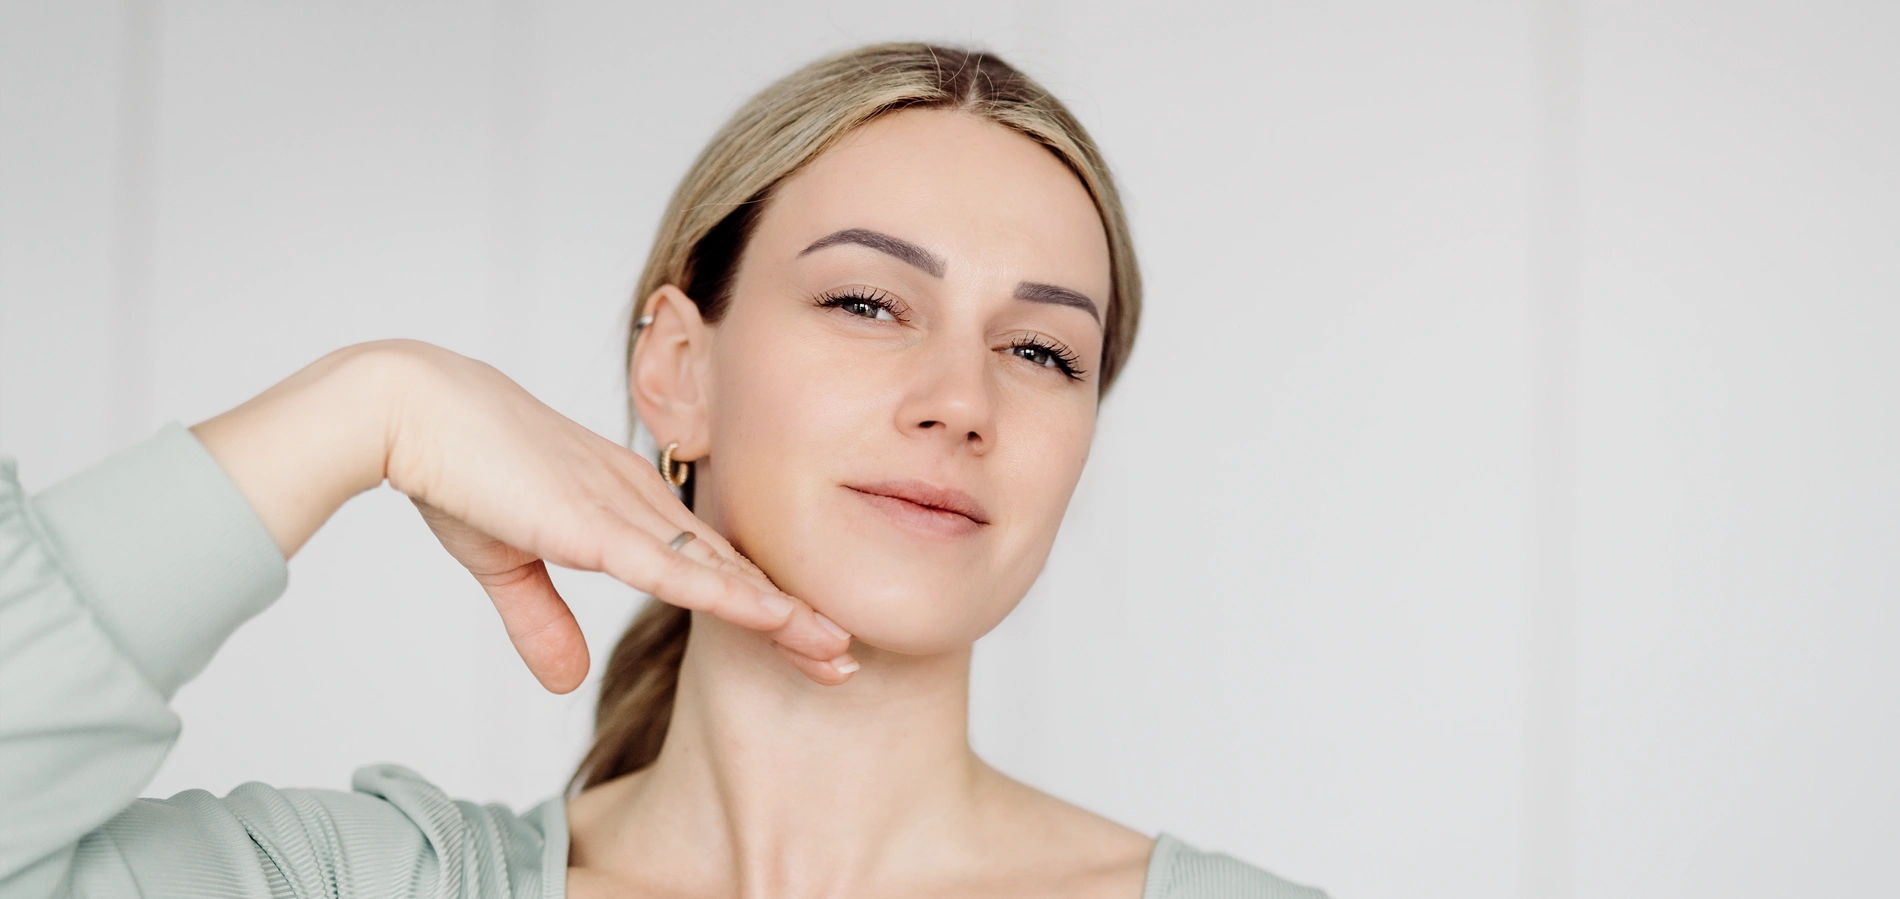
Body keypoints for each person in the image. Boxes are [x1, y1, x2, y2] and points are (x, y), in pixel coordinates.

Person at [0, 44, 1324, 899]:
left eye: (1041, 349)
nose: (960, 401)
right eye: (868, 304)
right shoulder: (364, 884)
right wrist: (367, 404)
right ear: (680, 370)